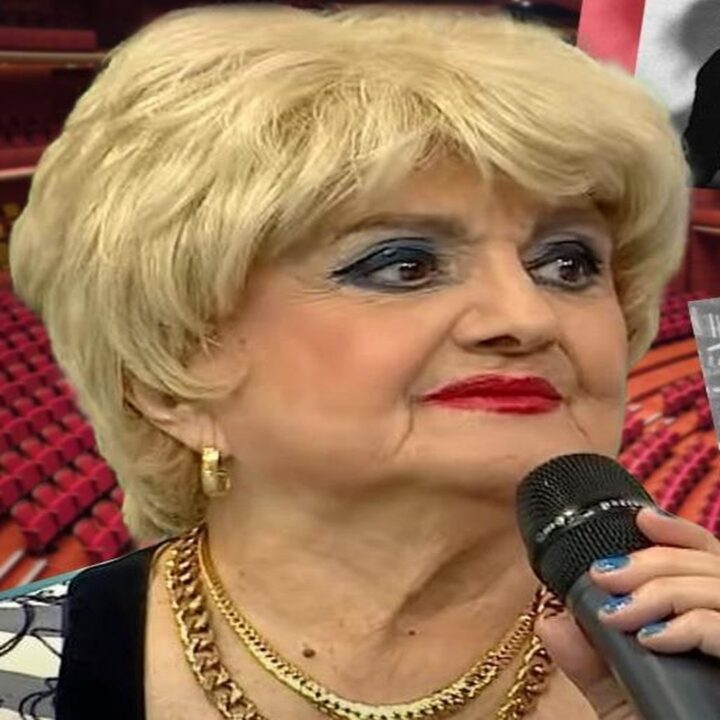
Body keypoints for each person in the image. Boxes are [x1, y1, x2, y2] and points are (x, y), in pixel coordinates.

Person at [2, 4, 720, 720]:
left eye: (568, 263)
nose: (526, 317)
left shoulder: (696, 669)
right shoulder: (16, 670)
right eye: (404, 265)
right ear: (174, 376)